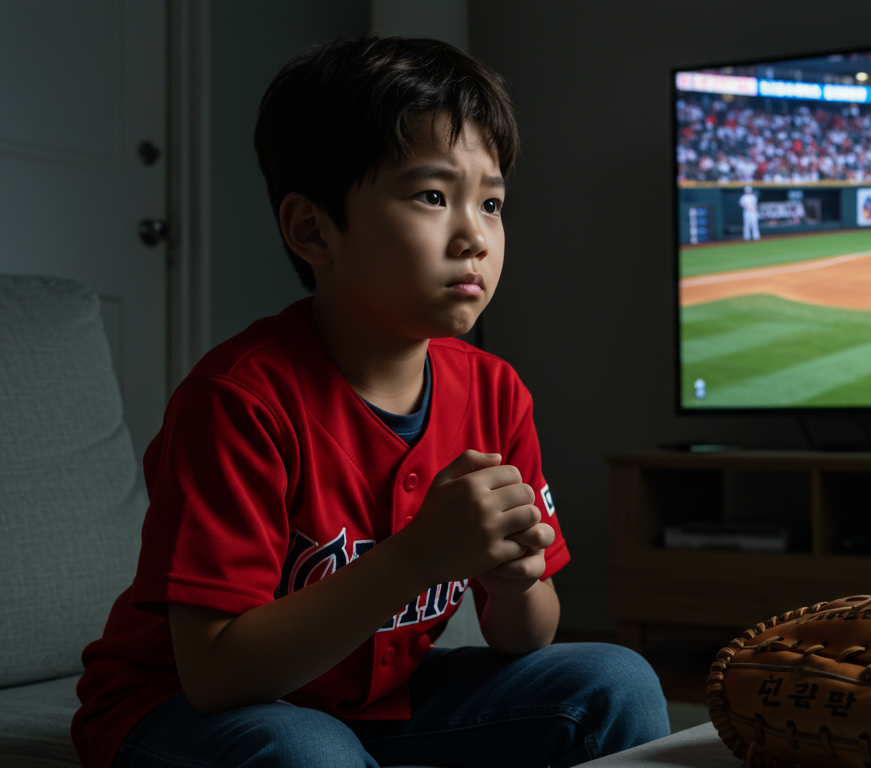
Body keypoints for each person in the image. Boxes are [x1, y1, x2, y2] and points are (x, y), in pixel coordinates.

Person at [70, 36, 669, 768]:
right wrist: (416, 557)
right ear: (312, 229)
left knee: (616, 680)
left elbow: (525, 636)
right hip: (178, 709)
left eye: (491, 202)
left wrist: (515, 586)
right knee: (308, 751)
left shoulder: (494, 391)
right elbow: (217, 673)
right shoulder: (240, 399)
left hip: (381, 703)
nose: (474, 236)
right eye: (431, 196)